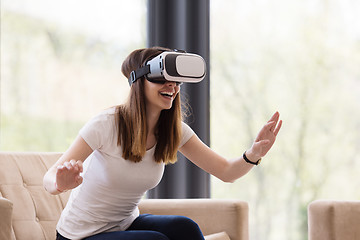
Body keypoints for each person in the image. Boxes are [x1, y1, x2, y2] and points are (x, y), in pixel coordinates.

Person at [43, 46, 282, 240]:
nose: (172, 86)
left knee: (184, 228)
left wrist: (254, 152)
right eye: (162, 78)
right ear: (139, 81)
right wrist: (61, 183)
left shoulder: (174, 130)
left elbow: (226, 172)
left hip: (124, 225)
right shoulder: (107, 124)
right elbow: (49, 179)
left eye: (176, 80)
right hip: (79, 236)